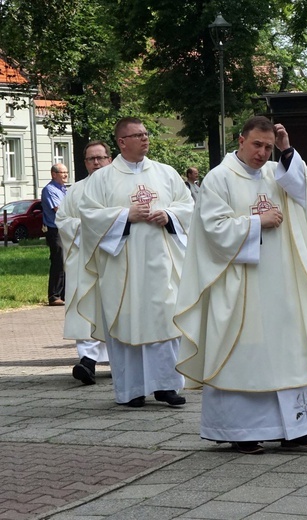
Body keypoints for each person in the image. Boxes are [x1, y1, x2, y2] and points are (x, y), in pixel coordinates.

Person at [175, 116, 307, 455]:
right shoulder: (219, 178)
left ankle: (298, 430)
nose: (262, 153)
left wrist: (287, 150)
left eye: (268, 147)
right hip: (241, 285)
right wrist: (256, 223)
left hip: (281, 283)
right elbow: (213, 230)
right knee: (245, 355)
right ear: (241, 140)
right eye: (257, 145)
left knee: (289, 349)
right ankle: (242, 431)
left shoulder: (277, 172)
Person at [78, 117, 193, 408]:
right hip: (123, 268)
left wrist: (168, 215)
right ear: (121, 142)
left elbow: (188, 206)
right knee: (127, 321)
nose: (144, 139)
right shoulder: (102, 179)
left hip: (162, 263)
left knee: (164, 319)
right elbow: (89, 216)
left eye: (145, 134)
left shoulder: (166, 173)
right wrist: (125, 216)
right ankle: (133, 390)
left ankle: (167, 385)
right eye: (137, 135)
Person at [56, 141, 112, 385]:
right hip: (85, 258)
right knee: (87, 306)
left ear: (110, 158)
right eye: (91, 159)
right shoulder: (76, 190)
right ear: (85, 162)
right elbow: (63, 220)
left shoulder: (120, 186)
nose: (96, 162)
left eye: (100, 157)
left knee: (115, 307)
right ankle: (87, 361)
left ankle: (119, 361)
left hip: (116, 258)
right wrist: (86, 228)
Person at [41, 163, 68, 306]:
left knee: (66, 262)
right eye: (62, 172)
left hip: (65, 229)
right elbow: (59, 209)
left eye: (66, 172)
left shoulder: (65, 190)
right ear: (54, 174)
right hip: (55, 230)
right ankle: (54, 295)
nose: (65, 175)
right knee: (58, 261)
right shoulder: (49, 190)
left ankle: (64, 294)